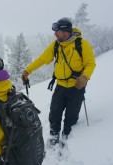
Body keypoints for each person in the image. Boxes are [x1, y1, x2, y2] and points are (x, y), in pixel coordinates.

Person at [22, 17, 96, 146]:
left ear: (65, 31)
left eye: (57, 31)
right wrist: (28, 70)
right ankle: (54, 134)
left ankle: (68, 135)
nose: (55, 34)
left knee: (71, 115)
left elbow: (90, 63)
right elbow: (42, 59)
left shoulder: (82, 44)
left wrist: (85, 77)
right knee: (54, 113)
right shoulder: (56, 44)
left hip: (76, 87)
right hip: (60, 86)